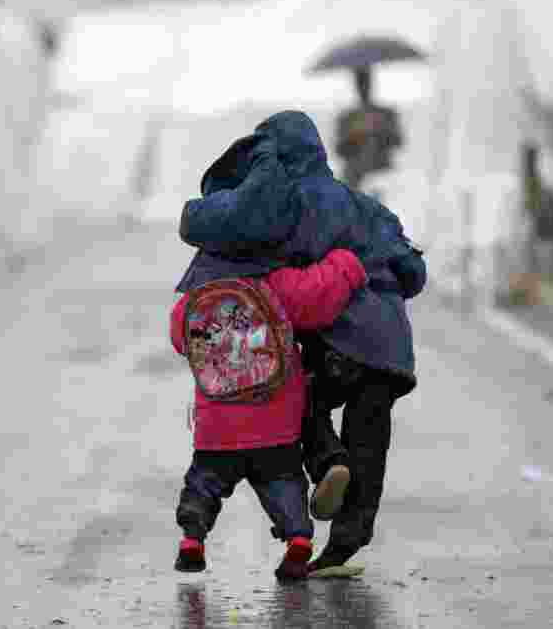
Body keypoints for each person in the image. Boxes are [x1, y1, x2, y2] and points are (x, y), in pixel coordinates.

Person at [176, 110, 427, 573]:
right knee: (370, 439)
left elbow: (266, 272)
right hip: (392, 348)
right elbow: (414, 272)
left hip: (339, 341)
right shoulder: (363, 203)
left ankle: (328, 461)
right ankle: (347, 538)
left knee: (302, 400)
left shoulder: (288, 205)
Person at [170, 213, 369, 580]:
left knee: (204, 483)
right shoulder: (275, 284)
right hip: (276, 424)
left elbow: (180, 338)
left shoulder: (195, 298)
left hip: (217, 426)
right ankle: (298, 541)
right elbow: (320, 293)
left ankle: (192, 538)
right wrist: (348, 261)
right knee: (284, 484)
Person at [335, 67, 404, 192]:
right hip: (354, 177)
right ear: (355, 85)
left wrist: (379, 133)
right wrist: (356, 138)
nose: (363, 86)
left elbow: (398, 141)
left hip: (381, 175)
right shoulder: (347, 117)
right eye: (360, 82)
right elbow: (339, 149)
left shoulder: (386, 113)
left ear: (371, 83)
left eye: (365, 81)